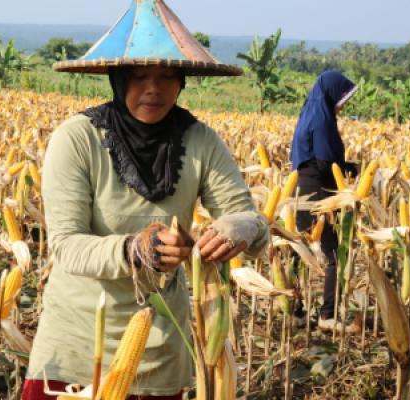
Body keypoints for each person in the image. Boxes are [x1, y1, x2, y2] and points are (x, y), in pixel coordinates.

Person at [22, 1, 269, 399]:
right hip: (78, 345)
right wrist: (135, 249)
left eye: (168, 76)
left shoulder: (200, 141)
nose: (153, 88)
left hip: (160, 347)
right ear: (117, 79)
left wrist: (241, 226)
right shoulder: (77, 139)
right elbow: (67, 247)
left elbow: (249, 221)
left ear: (182, 81)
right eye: (139, 76)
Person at [290, 71, 358, 332]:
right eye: (343, 99)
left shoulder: (309, 113)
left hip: (301, 188)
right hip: (319, 190)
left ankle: (295, 313)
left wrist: (346, 167)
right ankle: (327, 316)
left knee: (298, 252)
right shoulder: (322, 120)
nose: (344, 105)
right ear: (333, 94)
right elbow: (325, 163)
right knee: (334, 255)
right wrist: (347, 169)